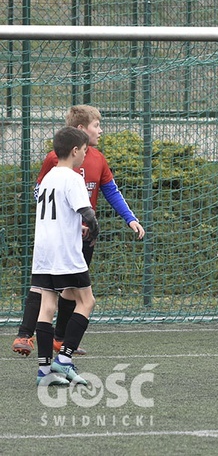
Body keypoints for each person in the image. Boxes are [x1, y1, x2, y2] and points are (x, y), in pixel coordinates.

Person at [12, 105, 145, 357]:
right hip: (62, 236)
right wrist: (65, 220)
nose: (101, 130)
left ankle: (59, 341)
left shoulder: (98, 158)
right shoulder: (57, 160)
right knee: (48, 290)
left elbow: (111, 191)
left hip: (83, 237)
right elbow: (39, 192)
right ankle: (25, 335)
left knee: (68, 291)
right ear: (81, 130)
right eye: (97, 125)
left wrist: (130, 219)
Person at [33, 127, 99, 386]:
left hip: (44, 251)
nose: (86, 155)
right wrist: (93, 231)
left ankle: (44, 372)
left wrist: (76, 226)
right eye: (84, 150)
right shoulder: (73, 178)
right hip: (65, 252)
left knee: (47, 306)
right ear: (75, 151)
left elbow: (59, 212)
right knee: (87, 300)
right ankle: (65, 358)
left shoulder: (48, 177)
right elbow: (87, 212)